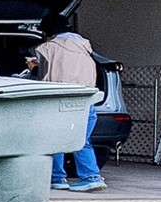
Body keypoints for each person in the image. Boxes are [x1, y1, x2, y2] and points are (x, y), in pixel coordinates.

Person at [29, 14, 105, 191]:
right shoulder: (84, 47)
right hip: (87, 98)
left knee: (55, 139)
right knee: (82, 140)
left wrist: (32, 67)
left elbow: (43, 77)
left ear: (48, 31)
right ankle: (90, 176)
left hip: (61, 100)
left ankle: (64, 178)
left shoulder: (47, 48)